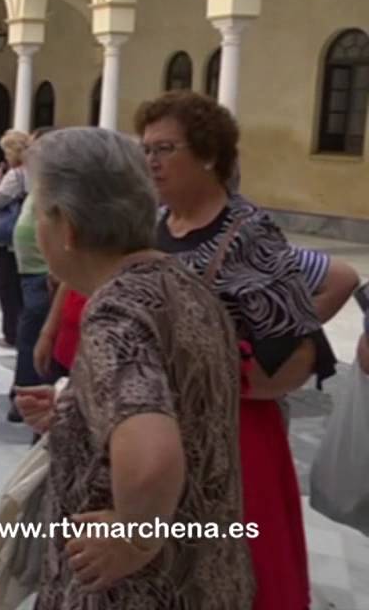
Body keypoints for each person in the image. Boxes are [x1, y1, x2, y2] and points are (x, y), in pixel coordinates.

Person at [15, 127, 252, 609]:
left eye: (39, 213)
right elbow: (175, 404)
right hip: (209, 579)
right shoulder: (184, 285)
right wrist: (75, 413)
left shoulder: (116, 315)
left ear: (67, 228)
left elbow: (151, 460)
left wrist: (134, 539)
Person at [139, 91, 335, 610]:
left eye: (165, 148)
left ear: (208, 154)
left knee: (239, 573)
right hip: (161, 428)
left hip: (234, 439)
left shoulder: (249, 234)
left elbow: (299, 354)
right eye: (146, 149)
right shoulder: (154, 223)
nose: (151, 161)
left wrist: (210, 379)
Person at [8, 125, 58, 422]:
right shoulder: (39, 180)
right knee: (27, 332)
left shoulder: (57, 184)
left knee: (31, 333)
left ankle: (27, 397)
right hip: (29, 271)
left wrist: (54, 269)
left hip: (43, 273)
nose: (29, 154)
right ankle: (23, 394)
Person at [0, 129, 29, 347]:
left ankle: (11, 333)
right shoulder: (33, 172)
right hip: (26, 236)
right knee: (20, 287)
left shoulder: (16, 175)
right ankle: (21, 330)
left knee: (7, 286)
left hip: (9, 237)